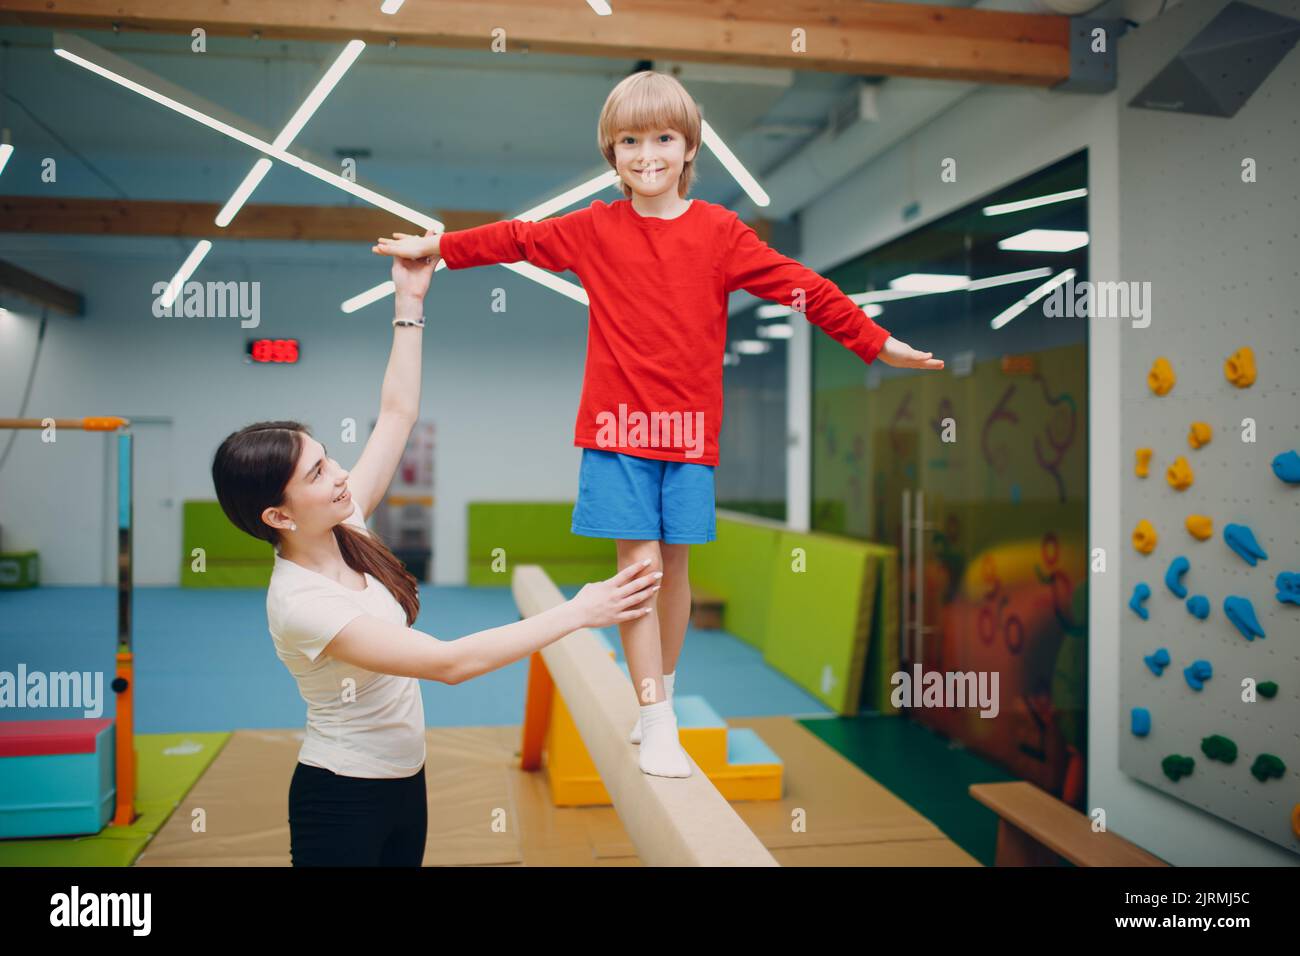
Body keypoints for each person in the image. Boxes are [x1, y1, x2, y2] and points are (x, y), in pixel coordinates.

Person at [372, 70, 943, 780]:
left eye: (663, 138)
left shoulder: (720, 234)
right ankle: (655, 717)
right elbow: (519, 238)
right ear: (613, 153)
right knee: (638, 572)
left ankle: (661, 695)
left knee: (675, 573)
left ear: (688, 146)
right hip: (616, 434)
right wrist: (445, 247)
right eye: (630, 141)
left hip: (690, 437)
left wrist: (873, 339)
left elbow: (804, 286)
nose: (647, 154)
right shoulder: (594, 228)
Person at [211, 237, 661, 865]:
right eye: (315, 474)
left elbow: (396, 414)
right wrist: (580, 612)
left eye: (327, 458)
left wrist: (409, 301)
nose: (339, 473)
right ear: (278, 515)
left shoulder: (349, 526)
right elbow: (450, 664)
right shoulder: (301, 604)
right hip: (342, 798)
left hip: (405, 783)